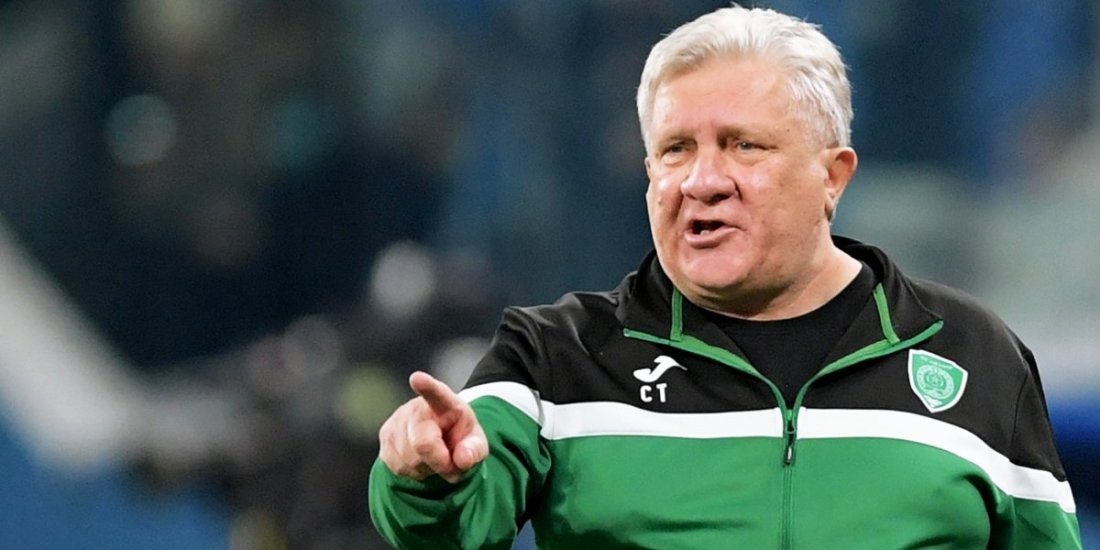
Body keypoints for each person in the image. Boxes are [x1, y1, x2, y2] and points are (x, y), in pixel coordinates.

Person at [368, 5, 1083, 548]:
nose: (703, 181)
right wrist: (427, 474)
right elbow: (450, 523)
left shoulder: (972, 355)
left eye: (744, 146)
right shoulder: (557, 355)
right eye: (676, 150)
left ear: (832, 176)